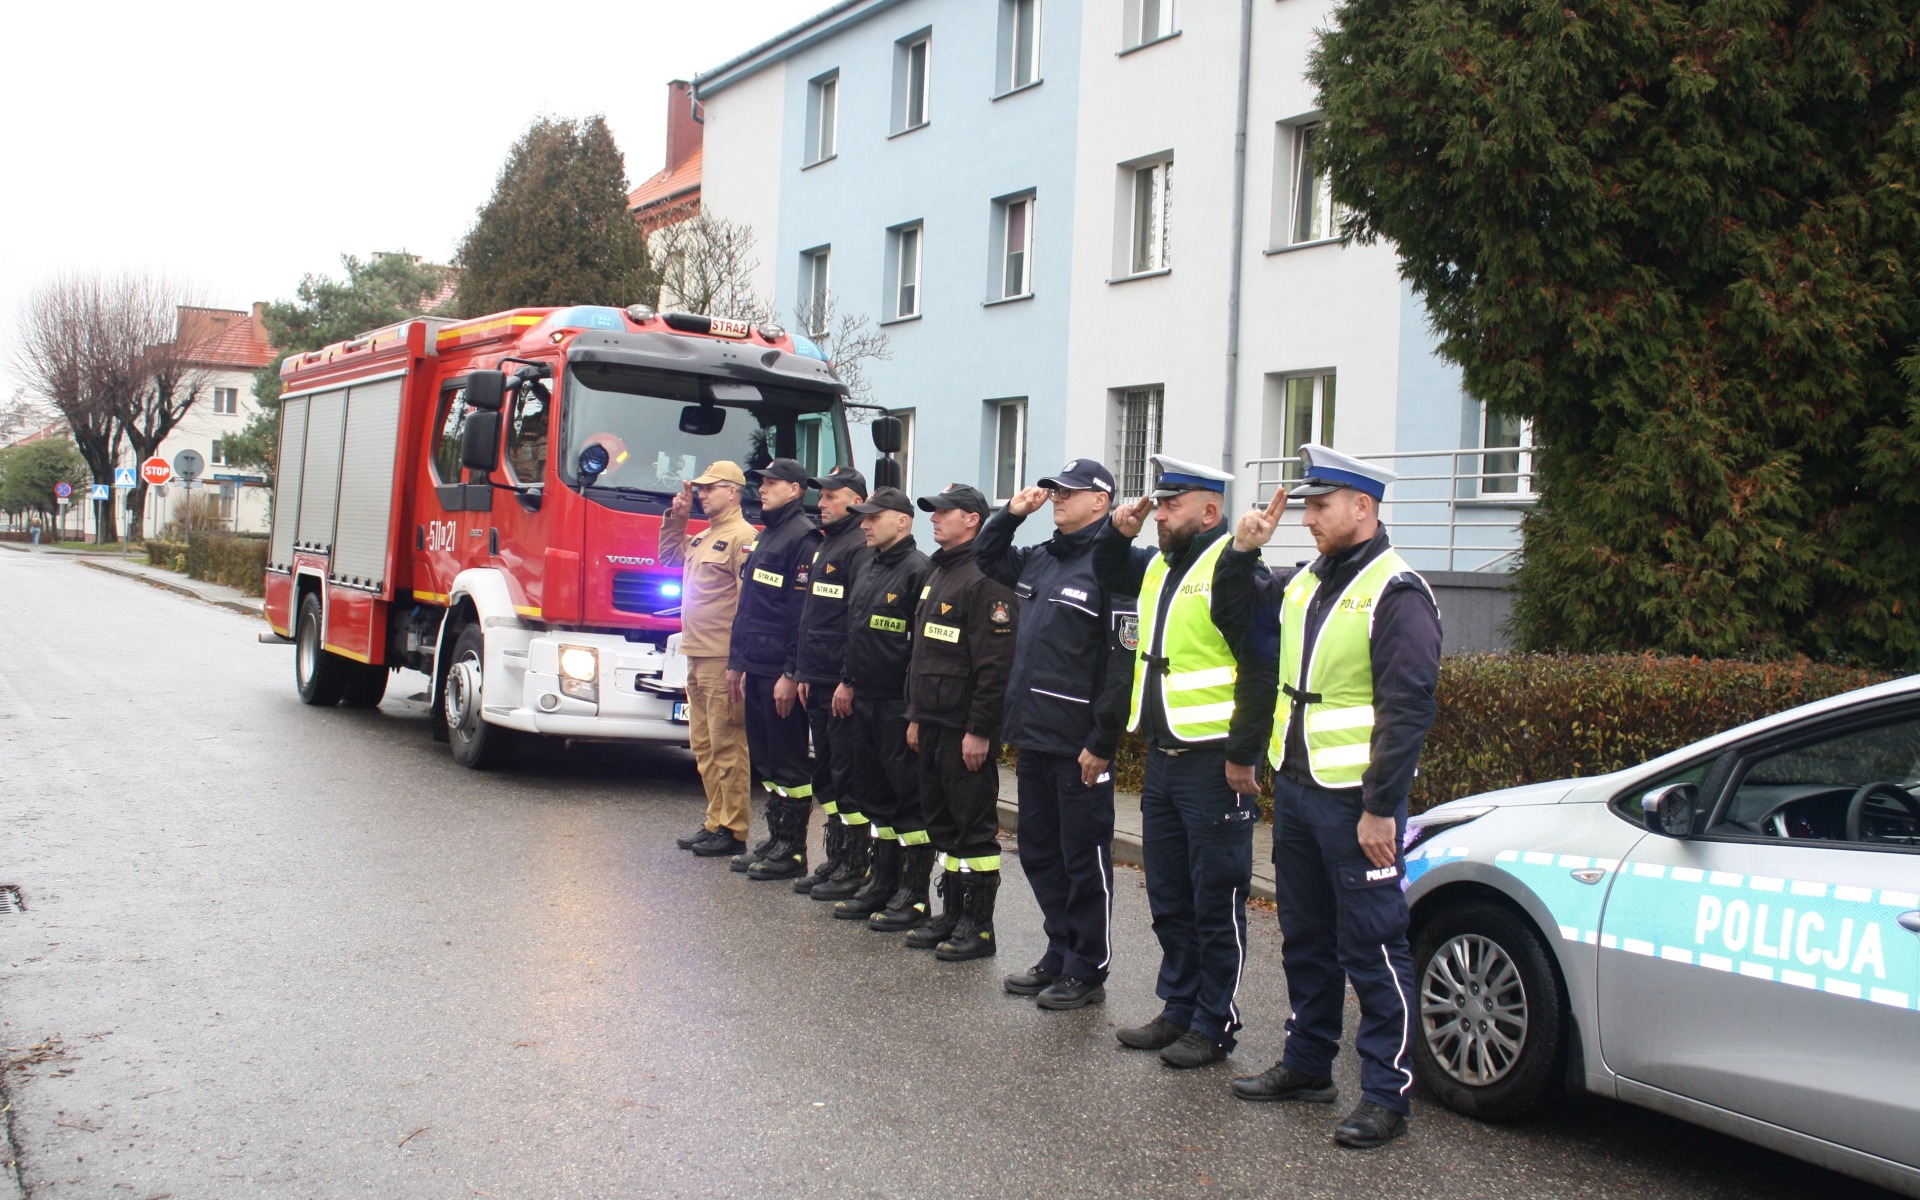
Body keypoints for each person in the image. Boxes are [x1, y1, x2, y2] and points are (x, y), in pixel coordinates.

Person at [1217, 443, 1441, 1151]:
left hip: (1358, 804)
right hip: (1302, 789)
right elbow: (1239, 629)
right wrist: (1240, 556)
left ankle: (1387, 1095)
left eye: (1321, 506)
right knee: (1308, 939)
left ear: (1363, 509)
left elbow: (1408, 707)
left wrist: (1383, 806)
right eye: (1307, 505)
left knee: (1373, 944)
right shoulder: (1308, 580)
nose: (1308, 518)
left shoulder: (1398, 591)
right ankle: (1309, 1064)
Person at [1091, 454, 1275, 1069]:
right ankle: (1178, 1006)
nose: (1159, 513)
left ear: (1210, 511)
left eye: (1171, 505)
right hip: (1164, 756)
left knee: (1215, 898)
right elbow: (1107, 570)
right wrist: (1118, 529)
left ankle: (1214, 1022)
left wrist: (1244, 756)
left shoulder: (1235, 569)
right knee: (1168, 892)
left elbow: (1259, 669)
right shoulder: (1160, 567)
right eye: (1159, 503)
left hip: (1215, 764)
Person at [974, 458, 1132, 1010]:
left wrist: (1103, 741)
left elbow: (1121, 664)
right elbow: (986, 557)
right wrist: (1011, 515)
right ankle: (1060, 950)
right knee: (1040, 851)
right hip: (1034, 732)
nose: (1057, 498)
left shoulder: (1114, 564)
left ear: (1102, 501)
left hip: (1079, 742)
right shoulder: (1041, 559)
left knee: (1082, 856)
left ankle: (1088, 968)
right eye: (1054, 490)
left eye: (1070, 491)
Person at [904, 483, 1019, 960]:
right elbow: (922, 652)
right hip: (931, 720)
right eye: (933, 511)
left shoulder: (984, 577)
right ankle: (951, 914)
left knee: (973, 827)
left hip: (962, 728)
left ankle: (979, 926)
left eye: (944, 512)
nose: (935, 518)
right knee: (942, 824)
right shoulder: (938, 571)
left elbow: (994, 665)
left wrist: (980, 731)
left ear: (972, 519)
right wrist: (914, 716)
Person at [816, 486, 931, 927]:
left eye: (872, 518)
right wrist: (846, 682)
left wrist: (915, 711)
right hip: (862, 698)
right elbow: (856, 631)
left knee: (907, 802)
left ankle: (912, 894)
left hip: (896, 704)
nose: (863, 524)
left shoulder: (917, 570)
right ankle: (882, 883)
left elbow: (921, 650)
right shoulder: (868, 566)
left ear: (901, 521)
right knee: (875, 798)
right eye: (862, 517)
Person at [726, 458, 824, 877]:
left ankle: (792, 850)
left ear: (796, 490)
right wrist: (737, 662)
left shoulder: (802, 538)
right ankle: (776, 839)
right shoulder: (769, 534)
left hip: (779, 670)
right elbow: (749, 608)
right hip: (756, 664)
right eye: (762, 483)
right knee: (766, 759)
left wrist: (790, 672)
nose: (762, 489)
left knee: (788, 760)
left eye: (772, 483)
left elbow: (800, 614)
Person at [659, 461, 757, 857]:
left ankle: (734, 829)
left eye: (710, 488)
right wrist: (677, 520)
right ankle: (715, 819)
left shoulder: (743, 539)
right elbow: (668, 558)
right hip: (696, 654)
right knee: (702, 744)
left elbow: (749, 605)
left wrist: (741, 660)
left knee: (727, 744)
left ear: (733, 491)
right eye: (699, 489)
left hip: (722, 657)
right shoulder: (702, 538)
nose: (701, 495)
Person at [784, 466, 871, 891]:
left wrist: (844, 679)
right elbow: (812, 617)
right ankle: (837, 859)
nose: (820, 504)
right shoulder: (828, 543)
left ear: (854, 499)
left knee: (846, 773)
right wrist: (804, 671)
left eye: (830, 497)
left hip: (838, 681)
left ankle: (854, 866)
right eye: (821, 497)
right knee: (828, 776)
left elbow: (855, 622)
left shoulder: (858, 546)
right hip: (816, 677)